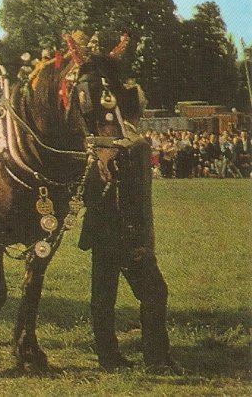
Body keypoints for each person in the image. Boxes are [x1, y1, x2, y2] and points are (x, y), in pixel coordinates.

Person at [79, 133, 180, 373]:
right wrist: (141, 241)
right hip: (127, 235)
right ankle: (156, 360)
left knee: (103, 298)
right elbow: (139, 199)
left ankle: (108, 357)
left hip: (99, 233)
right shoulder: (138, 147)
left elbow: (86, 195)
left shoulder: (92, 147)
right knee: (155, 292)